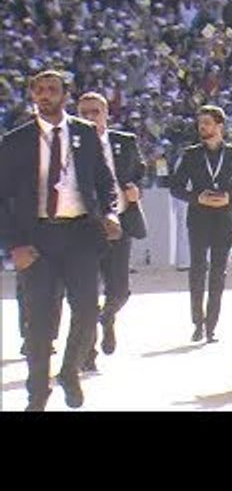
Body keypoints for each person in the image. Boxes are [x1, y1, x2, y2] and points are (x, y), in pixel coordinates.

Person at [0, 70, 121, 411]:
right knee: (39, 322)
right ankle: (37, 394)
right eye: (39, 90)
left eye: (52, 90)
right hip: (37, 239)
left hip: (80, 234)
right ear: (32, 95)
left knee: (85, 311)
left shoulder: (84, 134)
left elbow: (105, 182)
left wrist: (111, 213)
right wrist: (14, 245)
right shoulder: (15, 141)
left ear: (65, 96)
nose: (45, 96)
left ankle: (70, 371)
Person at [76, 92, 147, 371]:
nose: (90, 117)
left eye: (95, 111)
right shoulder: (73, 142)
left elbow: (139, 168)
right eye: (85, 112)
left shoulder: (124, 141)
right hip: (82, 228)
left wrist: (133, 187)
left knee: (119, 290)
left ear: (106, 114)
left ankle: (107, 317)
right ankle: (87, 353)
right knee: (85, 293)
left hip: (119, 224)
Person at [169, 105, 232, 343]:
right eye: (200, 123)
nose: (202, 127)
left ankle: (212, 325)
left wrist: (230, 197)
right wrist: (196, 198)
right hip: (198, 217)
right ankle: (197, 323)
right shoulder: (191, 154)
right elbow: (176, 187)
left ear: (220, 126)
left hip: (225, 219)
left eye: (207, 123)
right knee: (198, 270)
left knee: (219, 273)